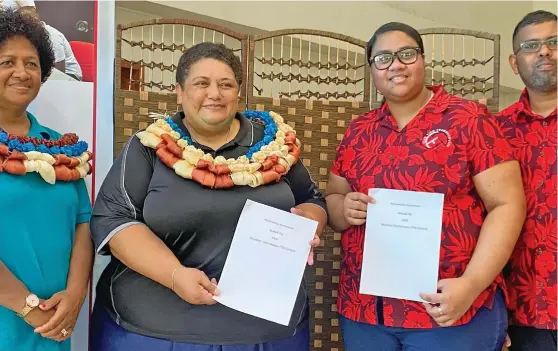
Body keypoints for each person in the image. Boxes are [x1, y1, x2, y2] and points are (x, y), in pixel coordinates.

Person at [89, 42, 327, 351]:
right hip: (152, 331)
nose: (214, 93)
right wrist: (174, 275)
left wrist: (310, 221)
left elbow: (312, 200)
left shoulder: (273, 145)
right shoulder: (148, 146)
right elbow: (112, 219)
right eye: (201, 83)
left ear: (238, 92)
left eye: (225, 84)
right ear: (179, 91)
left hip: (268, 329)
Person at [325, 22, 527, 351]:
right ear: (372, 70)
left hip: (450, 310)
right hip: (366, 312)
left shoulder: (468, 119)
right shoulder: (359, 131)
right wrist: (343, 208)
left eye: (407, 54)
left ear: (422, 59)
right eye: (383, 58)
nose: (396, 65)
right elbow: (333, 199)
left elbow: (508, 205)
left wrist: (472, 285)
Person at [0, 8, 93, 351]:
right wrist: (27, 307)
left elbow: (83, 223)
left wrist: (74, 294)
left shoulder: (58, 146)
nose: (21, 73)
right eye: (7, 62)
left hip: (53, 326)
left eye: (32, 63)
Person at [496, 10, 557, 351]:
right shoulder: (494, 132)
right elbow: (478, 222)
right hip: (523, 309)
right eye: (532, 46)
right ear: (514, 63)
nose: (544, 51)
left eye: (554, 42)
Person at [19, 6, 82, 81]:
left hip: (70, 76)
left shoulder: (52, 36)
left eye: (25, 26)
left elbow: (59, 72)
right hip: (48, 73)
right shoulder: (31, 34)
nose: (22, 29)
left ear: (35, 21)